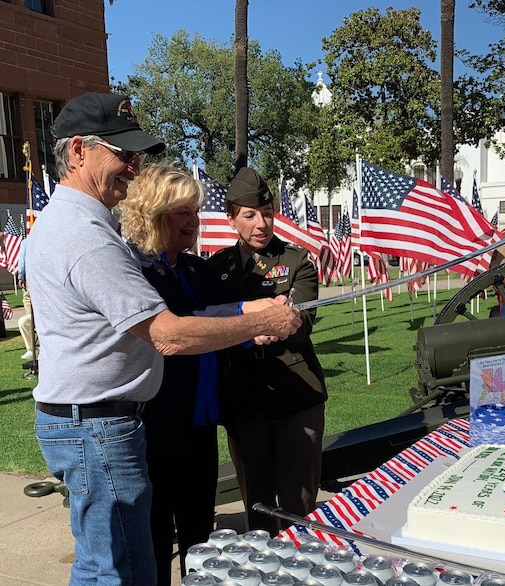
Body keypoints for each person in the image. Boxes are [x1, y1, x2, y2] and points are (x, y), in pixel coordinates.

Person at [25, 92, 302, 586]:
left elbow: (178, 314)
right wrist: (263, 323)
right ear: (77, 152)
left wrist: (243, 309)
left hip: (101, 421)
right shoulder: (85, 235)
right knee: (125, 571)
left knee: (103, 565)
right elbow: (169, 334)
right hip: (99, 427)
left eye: (137, 155)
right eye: (123, 153)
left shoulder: (83, 225)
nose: (134, 167)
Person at [118, 163, 277, 585]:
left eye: (196, 211)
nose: (193, 221)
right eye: (182, 212)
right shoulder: (133, 271)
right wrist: (247, 319)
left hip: (199, 419)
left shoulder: (194, 269)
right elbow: (176, 328)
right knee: (153, 538)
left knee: (198, 537)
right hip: (154, 421)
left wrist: (251, 330)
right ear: (152, 214)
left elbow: (214, 320)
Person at [208, 167, 328, 534]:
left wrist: (274, 323)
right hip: (244, 399)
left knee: (300, 504)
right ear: (231, 218)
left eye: (268, 214)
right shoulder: (217, 270)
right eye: (249, 215)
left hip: (296, 396)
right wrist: (257, 322)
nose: (261, 224)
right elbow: (209, 325)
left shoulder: (296, 262)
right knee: (257, 505)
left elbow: (301, 322)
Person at [16, 238, 36, 361]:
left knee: (28, 302)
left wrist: (21, 275)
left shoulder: (27, 242)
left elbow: (22, 260)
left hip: (31, 277)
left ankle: (31, 348)